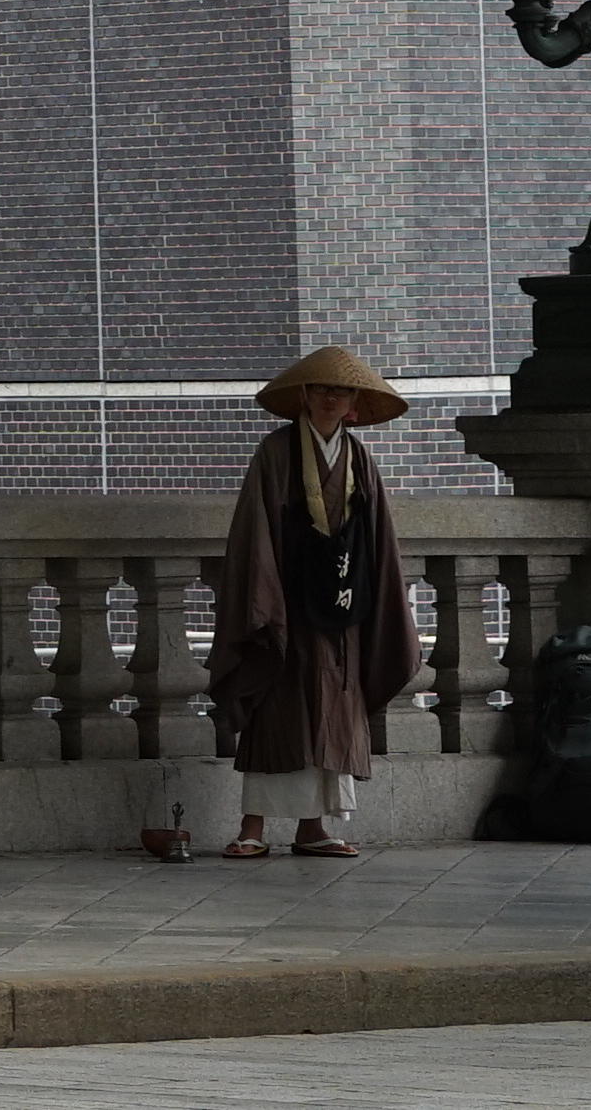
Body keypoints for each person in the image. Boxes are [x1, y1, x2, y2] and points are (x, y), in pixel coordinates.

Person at [216, 345, 417, 859]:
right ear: (304, 395)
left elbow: (377, 537)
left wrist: (374, 601)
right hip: (287, 600)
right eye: (324, 389)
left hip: (342, 603)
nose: (332, 398)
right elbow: (254, 531)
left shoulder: (359, 456)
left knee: (332, 710)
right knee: (277, 708)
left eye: (342, 390)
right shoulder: (276, 451)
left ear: (353, 403)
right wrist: (265, 600)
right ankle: (252, 826)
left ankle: (315, 828)